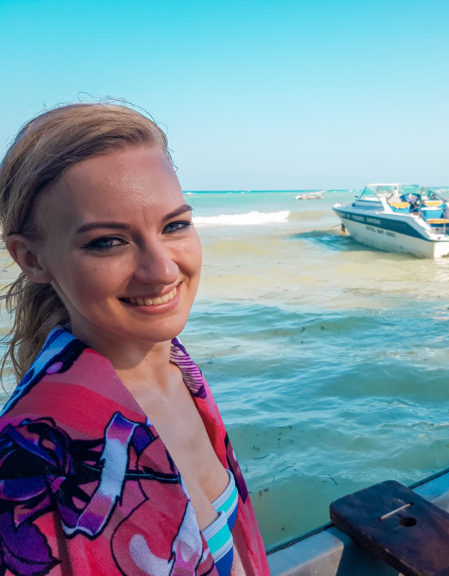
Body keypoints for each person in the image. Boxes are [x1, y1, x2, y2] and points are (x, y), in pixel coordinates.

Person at [0, 103, 270, 575]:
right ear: (31, 258)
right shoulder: (29, 465)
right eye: (108, 241)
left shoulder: (179, 373)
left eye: (175, 225)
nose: (163, 269)